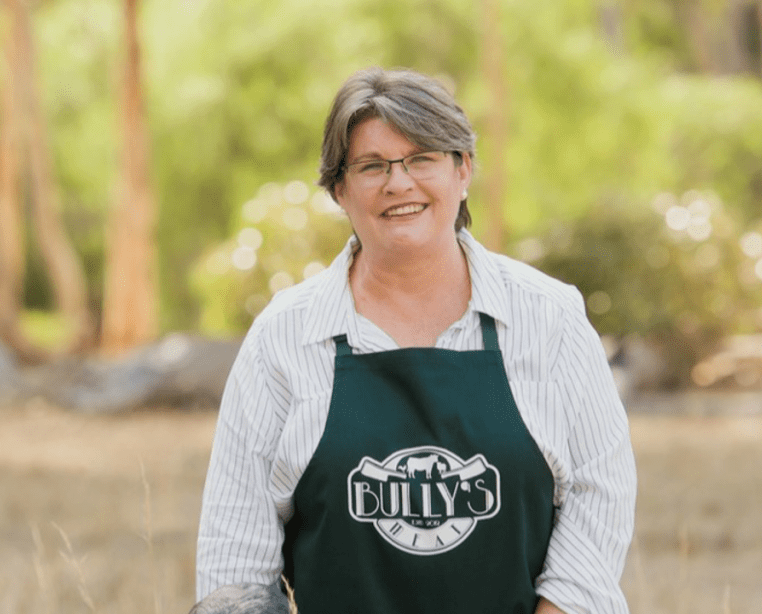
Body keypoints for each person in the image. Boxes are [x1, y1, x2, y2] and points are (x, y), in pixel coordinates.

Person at [194, 67, 636, 614]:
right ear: (339, 190)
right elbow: (234, 564)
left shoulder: (551, 319)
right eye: (371, 165)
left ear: (463, 170)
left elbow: (602, 498)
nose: (398, 183)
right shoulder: (282, 338)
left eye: (421, 158)